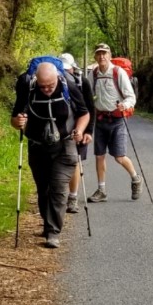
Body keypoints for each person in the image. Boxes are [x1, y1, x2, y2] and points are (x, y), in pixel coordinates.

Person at [11, 61, 90, 248]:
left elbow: (84, 113)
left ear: (57, 78)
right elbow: (14, 118)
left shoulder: (68, 86)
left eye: (51, 85)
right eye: (43, 86)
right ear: (36, 81)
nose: (47, 89)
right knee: (43, 189)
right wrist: (18, 122)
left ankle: (54, 232)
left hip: (65, 145)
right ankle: (48, 225)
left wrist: (79, 130)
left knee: (58, 188)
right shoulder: (28, 88)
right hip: (38, 146)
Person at [85, 43, 141, 201]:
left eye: (104, 53)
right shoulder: (93, 74)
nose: (102, 56)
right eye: (99, 53)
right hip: (100, 119)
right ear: (95, 56)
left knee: (119, 157)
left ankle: (135, 179)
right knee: (99, 156)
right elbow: (87, 94)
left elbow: (131, 96)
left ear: (109, 55)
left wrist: (125, 105)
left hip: (117, 120)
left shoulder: (118, 72)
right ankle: (101, 190)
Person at [61, 53, 94, 215]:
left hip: (79, 128)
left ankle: (72, 197)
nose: (64, 72)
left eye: (67, 69)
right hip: (61, 130)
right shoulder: (54, 82)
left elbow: (90, 108)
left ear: (73, 68)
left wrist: (88, 131)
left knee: (75, 161)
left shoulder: (82, 82)